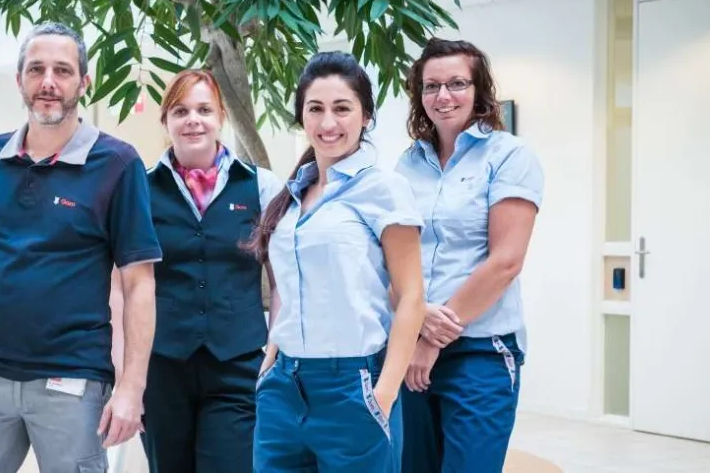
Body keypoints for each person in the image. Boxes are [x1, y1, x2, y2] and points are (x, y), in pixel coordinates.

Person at [0, 21, 161, 473]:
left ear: (84, 82)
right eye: (36, 69)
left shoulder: (117, 164)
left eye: (62, 71)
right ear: (18, 79)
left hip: (74, 382)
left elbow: (139, 285)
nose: (48, 82)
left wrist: (131, 388)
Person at [248, 51, 428, 472]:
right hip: (283, 390)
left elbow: (412, 297)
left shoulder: (384, 189)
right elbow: (288, 290)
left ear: (365, 115)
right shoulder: (293, 196)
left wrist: (383, 395)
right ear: (302, 117)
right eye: (315, 109)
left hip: (354, 387)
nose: (328, 123)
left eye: (342, 108)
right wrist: (271, 359)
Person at [393, 37, 544, 473]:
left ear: (479, 91)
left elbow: (505, 263)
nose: (443, 96)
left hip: (480, 349)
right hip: (411, 341)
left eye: (457, 83)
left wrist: (430, 338)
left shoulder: (509, 156)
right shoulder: (409, 164)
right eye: (431, 86)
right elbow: (395, 259)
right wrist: (414, 320)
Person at [128, 69, 282, 473]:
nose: (193, 119)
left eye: (203, 110)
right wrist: (125, 372)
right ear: (166, 121)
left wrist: (273, 353)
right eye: (181, 111)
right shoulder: (140, 188)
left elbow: (282, 280)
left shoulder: (261, 185)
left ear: (221, 117)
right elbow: (124, 284)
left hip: (238, 362)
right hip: (162, 365)